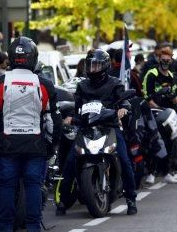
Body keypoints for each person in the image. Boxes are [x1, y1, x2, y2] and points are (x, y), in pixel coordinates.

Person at [0, 37, 61, 232]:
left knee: (7, 186)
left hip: (7, 144)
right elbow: (53, 119)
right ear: (33, 57)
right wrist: (51, 145)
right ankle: (34, 230)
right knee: (34, 185)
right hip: (35, 144)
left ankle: (5, 230)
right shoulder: (44, 84)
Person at [56, 49, 137, 216]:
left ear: (105, 66)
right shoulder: (82, 85)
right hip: (86, 128)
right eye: (90, 65)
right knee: (70, 162)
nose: (92, 69)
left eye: (96, 65)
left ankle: (131, 198)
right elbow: (75, 107)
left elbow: (125, 101)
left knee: (124, 159)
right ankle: (63, 201)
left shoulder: (115, 83)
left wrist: (123, 108)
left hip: (110, 127)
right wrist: (70, 117)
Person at [142, 43, 177, 184]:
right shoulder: (152, 74)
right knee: (154, 141)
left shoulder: (171, 76)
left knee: (172, 141)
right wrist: (157, 107)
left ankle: (168, 172)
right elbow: (146, 95)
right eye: (163, 59)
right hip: (154, 113)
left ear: (171, 60)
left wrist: (174, 97)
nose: (165, 62)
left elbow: (176, 96)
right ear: (159, 59)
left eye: (168, 60)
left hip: (169, 114)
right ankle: (151, 172)